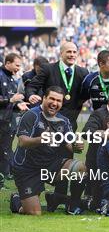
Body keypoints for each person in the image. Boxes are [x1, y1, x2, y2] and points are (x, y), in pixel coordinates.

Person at [10, 86, 86, 215]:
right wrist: (42, 139)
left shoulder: (64, 121)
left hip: (50, 165)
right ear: (44, 98)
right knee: (34, 213)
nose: (55, 103)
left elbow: (69, 144)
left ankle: (73, 204)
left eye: (59, 101)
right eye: (52, 98)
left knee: (80, 167)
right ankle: (17, 200)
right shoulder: (31, 115)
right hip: (27, 169)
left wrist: (76, 146)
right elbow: (22, 142)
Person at [25, 42, 89, 131]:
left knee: (68, 145)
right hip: (48, 121)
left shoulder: (83, 72)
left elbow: (86, 94)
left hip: (71, 122)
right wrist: (31, 95)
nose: (72, 55)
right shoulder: (48, 69)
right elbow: (32, 86)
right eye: (69, 52)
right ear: (61, 53)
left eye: (74, 52)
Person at [0, 53, 28, 186]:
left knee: (5, 148)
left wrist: (18, 104)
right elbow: (7, 99)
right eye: (17, 65)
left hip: (6, 121)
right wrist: (11, 100)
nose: (18, 68)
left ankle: (5, 175)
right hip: (2, 120)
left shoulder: (12, 80)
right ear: (8, 63)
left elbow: (11, 101)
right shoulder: (0, 76)